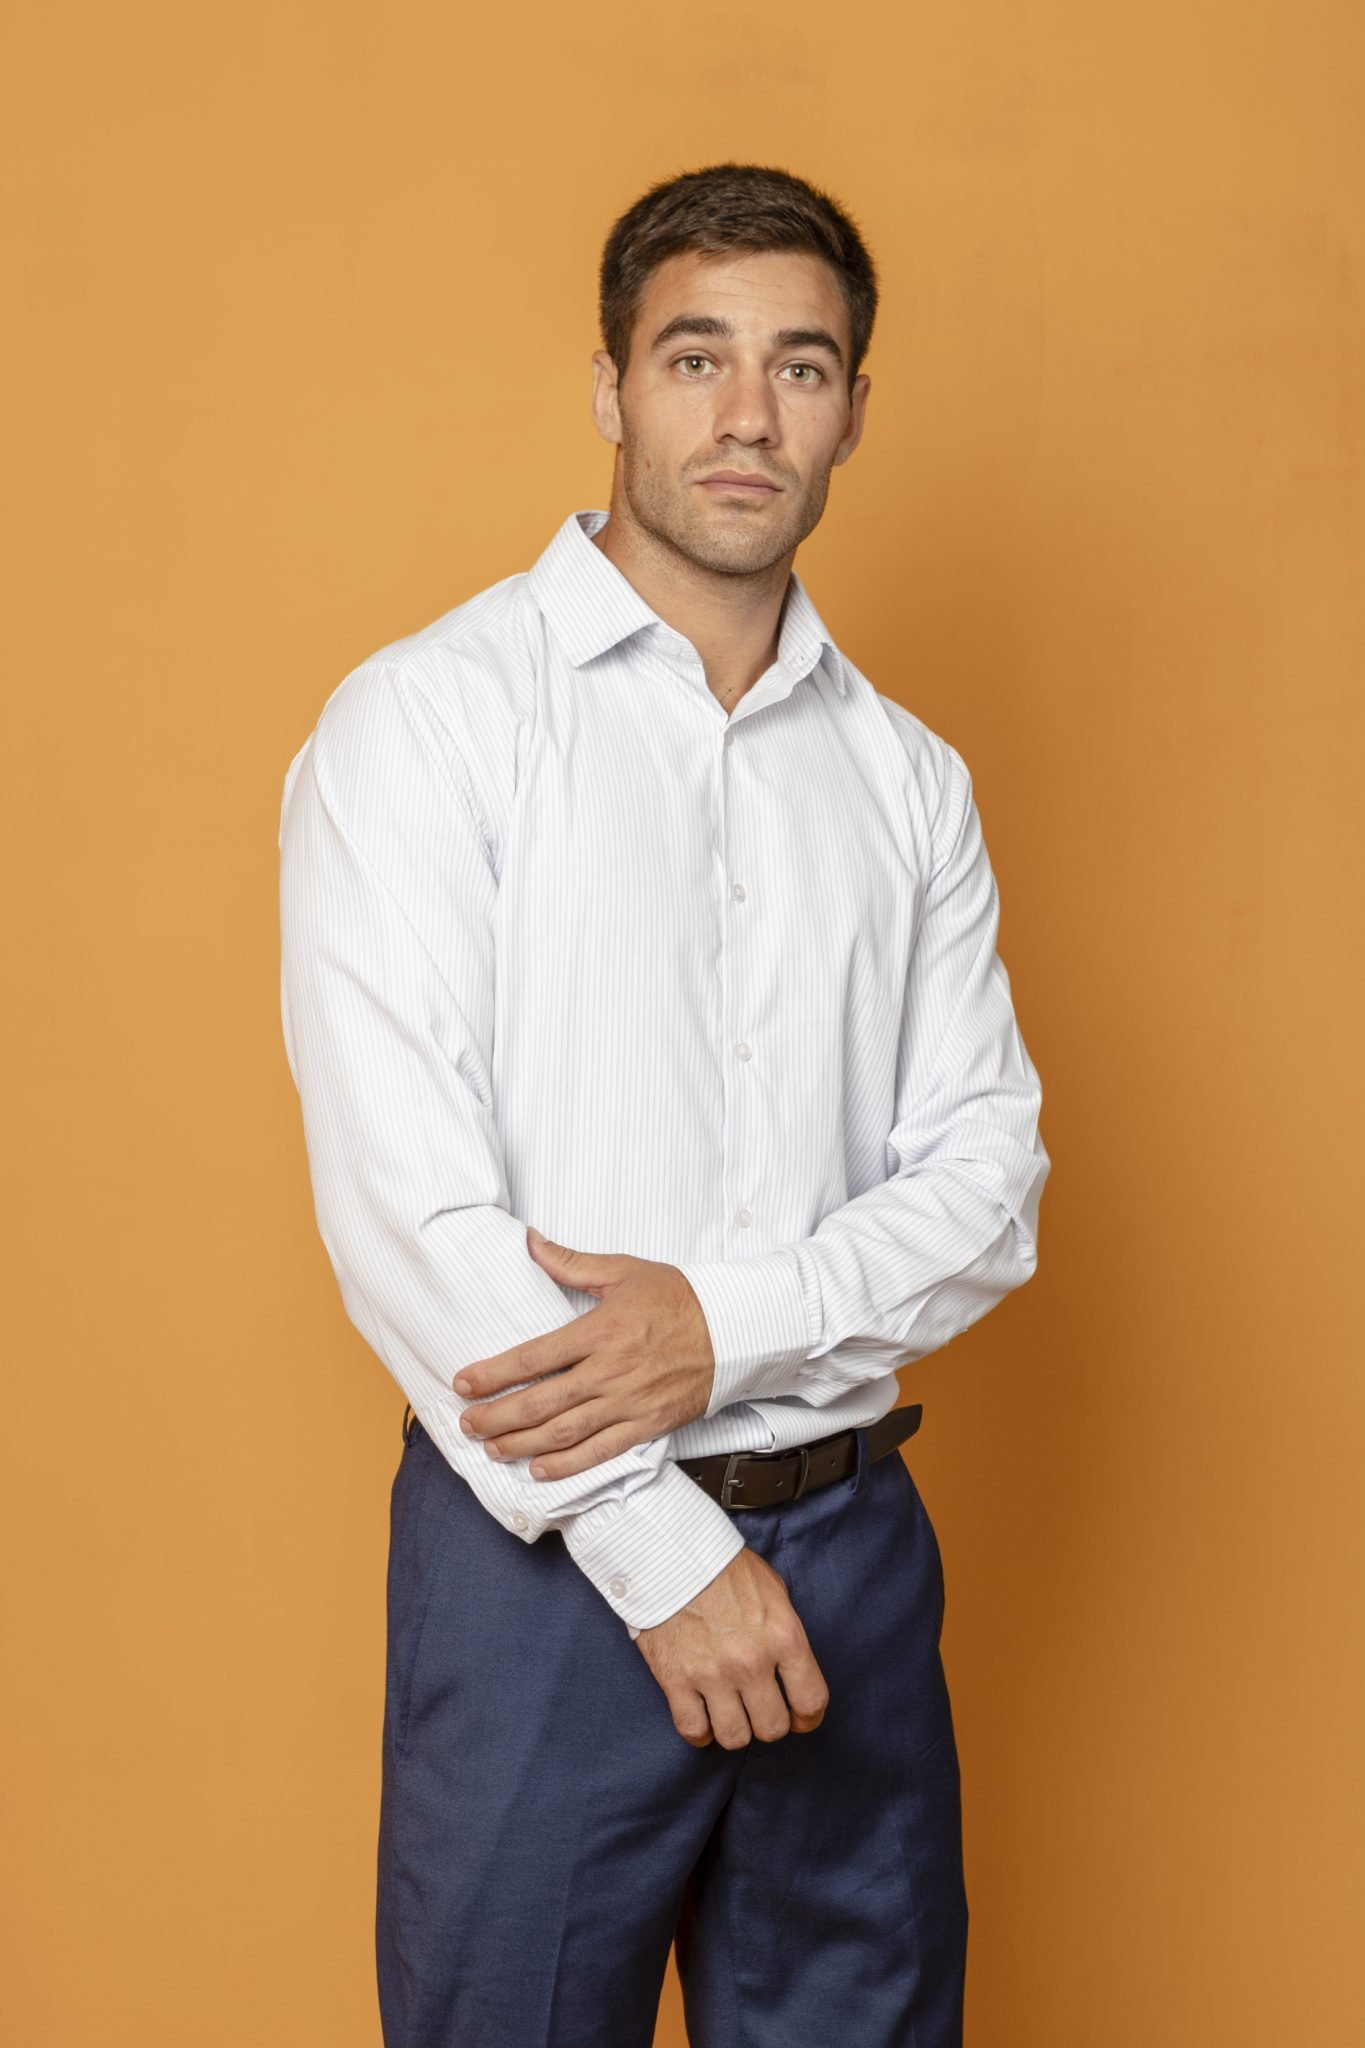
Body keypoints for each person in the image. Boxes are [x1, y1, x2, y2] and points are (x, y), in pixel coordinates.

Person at [278, 159, 1050, 2048]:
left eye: (801, 366)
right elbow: (408, 1214)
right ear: (610, 388)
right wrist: (658, 1548)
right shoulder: (426, 720)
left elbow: (988, 1181)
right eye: (695, 357)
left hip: (853, 1548)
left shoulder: (908, 779)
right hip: (543, 1568)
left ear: (853, 410)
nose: (745, 414)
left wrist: (726, 1325)